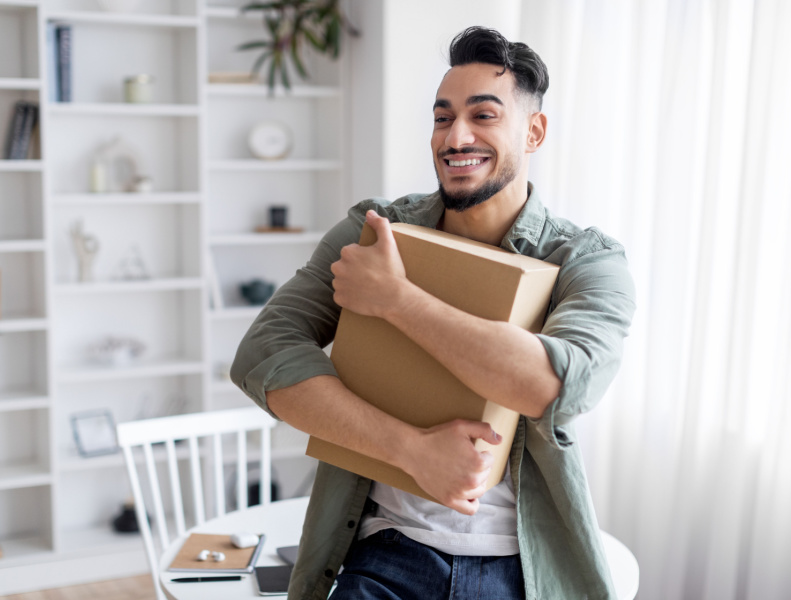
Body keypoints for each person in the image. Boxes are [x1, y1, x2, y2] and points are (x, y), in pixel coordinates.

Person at [232, 26, 636, 600]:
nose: (456, 136)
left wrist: (398, 300)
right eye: (442, 117)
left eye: (484, 115)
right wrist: (411, 451)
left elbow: (553, 387)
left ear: (535, 130)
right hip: (382, 551)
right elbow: (261, 355)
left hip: (520, 566)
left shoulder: (588, 260)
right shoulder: (375, 231)